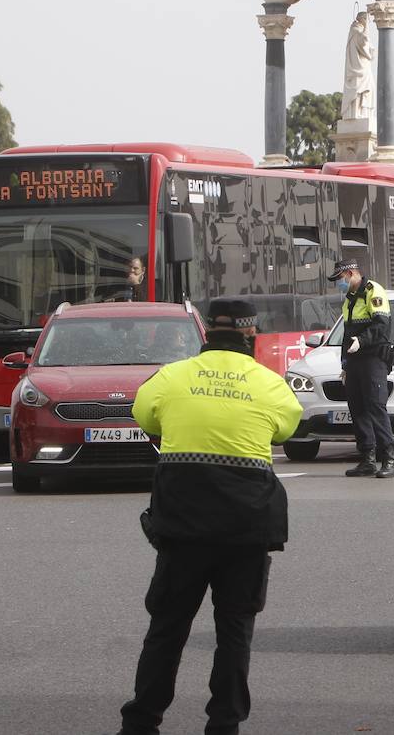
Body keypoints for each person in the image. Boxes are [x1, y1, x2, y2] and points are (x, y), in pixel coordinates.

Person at [118, 296, 301, 735]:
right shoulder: (270, 383)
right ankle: (224, 724)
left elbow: (144, 415)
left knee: (167, 627)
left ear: (206, 334)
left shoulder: (171, 377)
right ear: (250, 334)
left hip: (183, 526)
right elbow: (285, 428)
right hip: (246, 528)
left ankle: (142, 723)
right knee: (235, 630)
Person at [330, 259, 394, 479]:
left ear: (351, 273)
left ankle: (389, 460)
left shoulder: (373, 291)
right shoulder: (349, 299)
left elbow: (382, 326)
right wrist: (344, 365)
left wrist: (362, 339)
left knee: (376, 407)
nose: (338, 284)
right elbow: (346, 336)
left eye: (339, 279)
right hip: (355, 361)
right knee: (357, 408)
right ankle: (367, 459)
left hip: (372, 359)